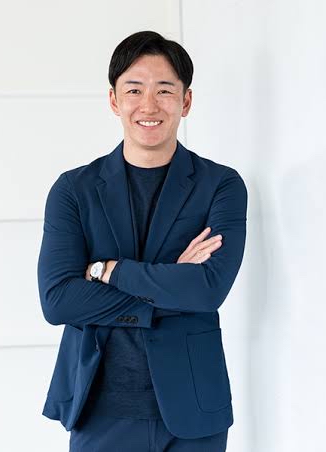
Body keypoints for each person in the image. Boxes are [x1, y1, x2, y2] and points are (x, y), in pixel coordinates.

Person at [37, 30, 247, 451]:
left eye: (164, 90)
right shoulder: (74, 189)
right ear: (114, 100)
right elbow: (58, 301)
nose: (149, 105)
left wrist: (108, 271)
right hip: (100, 410)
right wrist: (171, 280)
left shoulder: (221, 185)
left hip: (193, 412)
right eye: (134, 90)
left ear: (186, 101)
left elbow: (208, 290)